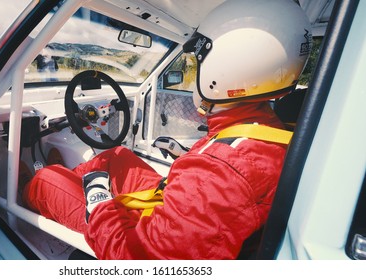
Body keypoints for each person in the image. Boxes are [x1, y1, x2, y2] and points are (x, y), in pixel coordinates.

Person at [21, 0, 312, 259]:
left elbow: (136, 257)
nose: (196, 72)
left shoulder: (222, 174)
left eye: (198, 64)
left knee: (45, 180)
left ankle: (32, 192)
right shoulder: (264, 126)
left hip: (138, 237)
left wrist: (97, 197)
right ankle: (67, 182)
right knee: (117, 156)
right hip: (175, 205)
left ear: (227, 69)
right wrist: (188, 159)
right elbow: (218, 182)